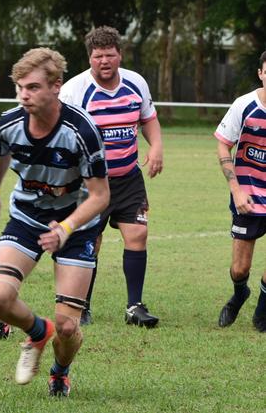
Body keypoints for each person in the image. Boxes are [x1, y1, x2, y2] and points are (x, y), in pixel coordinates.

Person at [0, 47, 109, 397]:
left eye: (34, 87)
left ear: (56, 86)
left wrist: (65, 228)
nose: (25, 95)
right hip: (27, 216)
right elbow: (0, 153)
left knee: (68, 326)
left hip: (76, 225)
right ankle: (38, 331)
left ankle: (60, 371)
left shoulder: (81, 131)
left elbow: (100, 196)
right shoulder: (9, 122)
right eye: (21, 87)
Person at [59, 26, 163, 327]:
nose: (104, 61)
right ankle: (83, 305)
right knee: (91, 240)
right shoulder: (74, 91)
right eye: (98, 56)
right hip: (91, 182)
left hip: (129, 176)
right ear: (89, 57)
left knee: (138, 234)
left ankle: (135, 307)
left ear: (120, 54)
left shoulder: (136, 83)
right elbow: (65, 136)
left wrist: (156, 147)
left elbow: (149, 119)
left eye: (110, 55)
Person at [215, 50, 266, 333]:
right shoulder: (244, 105)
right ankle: (240, 293)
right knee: (239, 269)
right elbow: (224, 145)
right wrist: (235, 190)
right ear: (260, 73)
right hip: (247, 195)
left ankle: (262, 311)